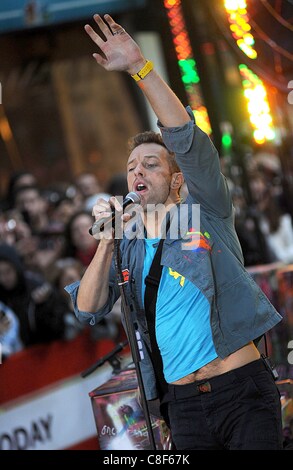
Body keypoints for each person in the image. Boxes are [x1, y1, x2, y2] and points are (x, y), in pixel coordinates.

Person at [65, 14, 283, 450]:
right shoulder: (124, 245)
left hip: (242, 391)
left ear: (178, 179)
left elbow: (184, 136)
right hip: (182, 407)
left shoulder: (205, 212)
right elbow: (87, 309)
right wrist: (106, 244)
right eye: (131, 168)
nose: (138, 172)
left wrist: (139, 68)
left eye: (151, 164)